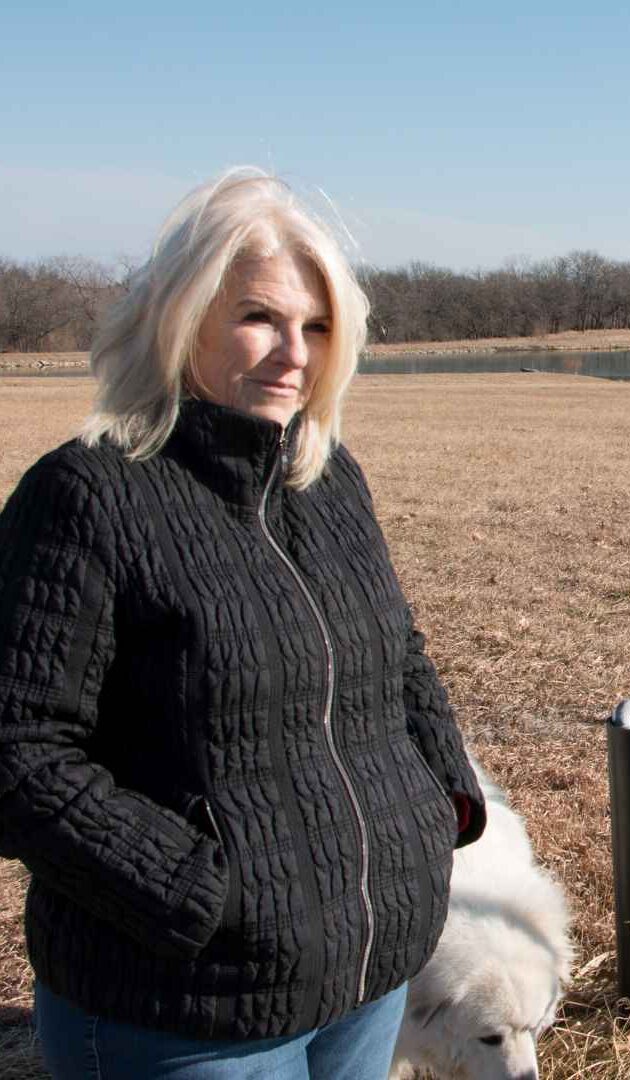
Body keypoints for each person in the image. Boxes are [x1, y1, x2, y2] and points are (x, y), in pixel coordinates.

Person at [0, 168, 487, 1078]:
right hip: (183, 1009)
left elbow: (401, 659)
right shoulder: (88, 495)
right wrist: (195, 891)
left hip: (366, 982)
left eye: (317, 326)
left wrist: (438, 807)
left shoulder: (330, 480)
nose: (293, 353)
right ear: (182, 318)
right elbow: (17, 751)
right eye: (260, 317)